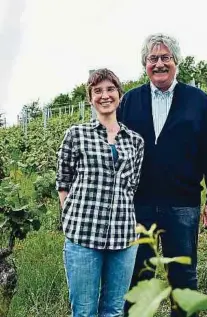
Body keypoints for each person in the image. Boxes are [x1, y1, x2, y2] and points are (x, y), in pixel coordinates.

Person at [117, 33, 207, 317]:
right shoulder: (130, 101)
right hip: (138, 205)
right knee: (138, 278)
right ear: (145, 64)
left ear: (176, 62)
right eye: (153, 58)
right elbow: (116, 150)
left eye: (166, 57)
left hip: (182, 204)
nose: (159, 64)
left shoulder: (197, 101)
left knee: (183, 277)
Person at [56, 68, 145, 317]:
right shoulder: (76, 135)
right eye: (97, 91)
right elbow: (63, 182)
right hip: (83, 237)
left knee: (114, 311)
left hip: (123, 237)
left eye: (110, 89)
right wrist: (72, 217)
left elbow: (132, 185)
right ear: (90, 97)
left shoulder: (135, 141)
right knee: (84, 312)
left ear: (119, 94)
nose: (104, 95)